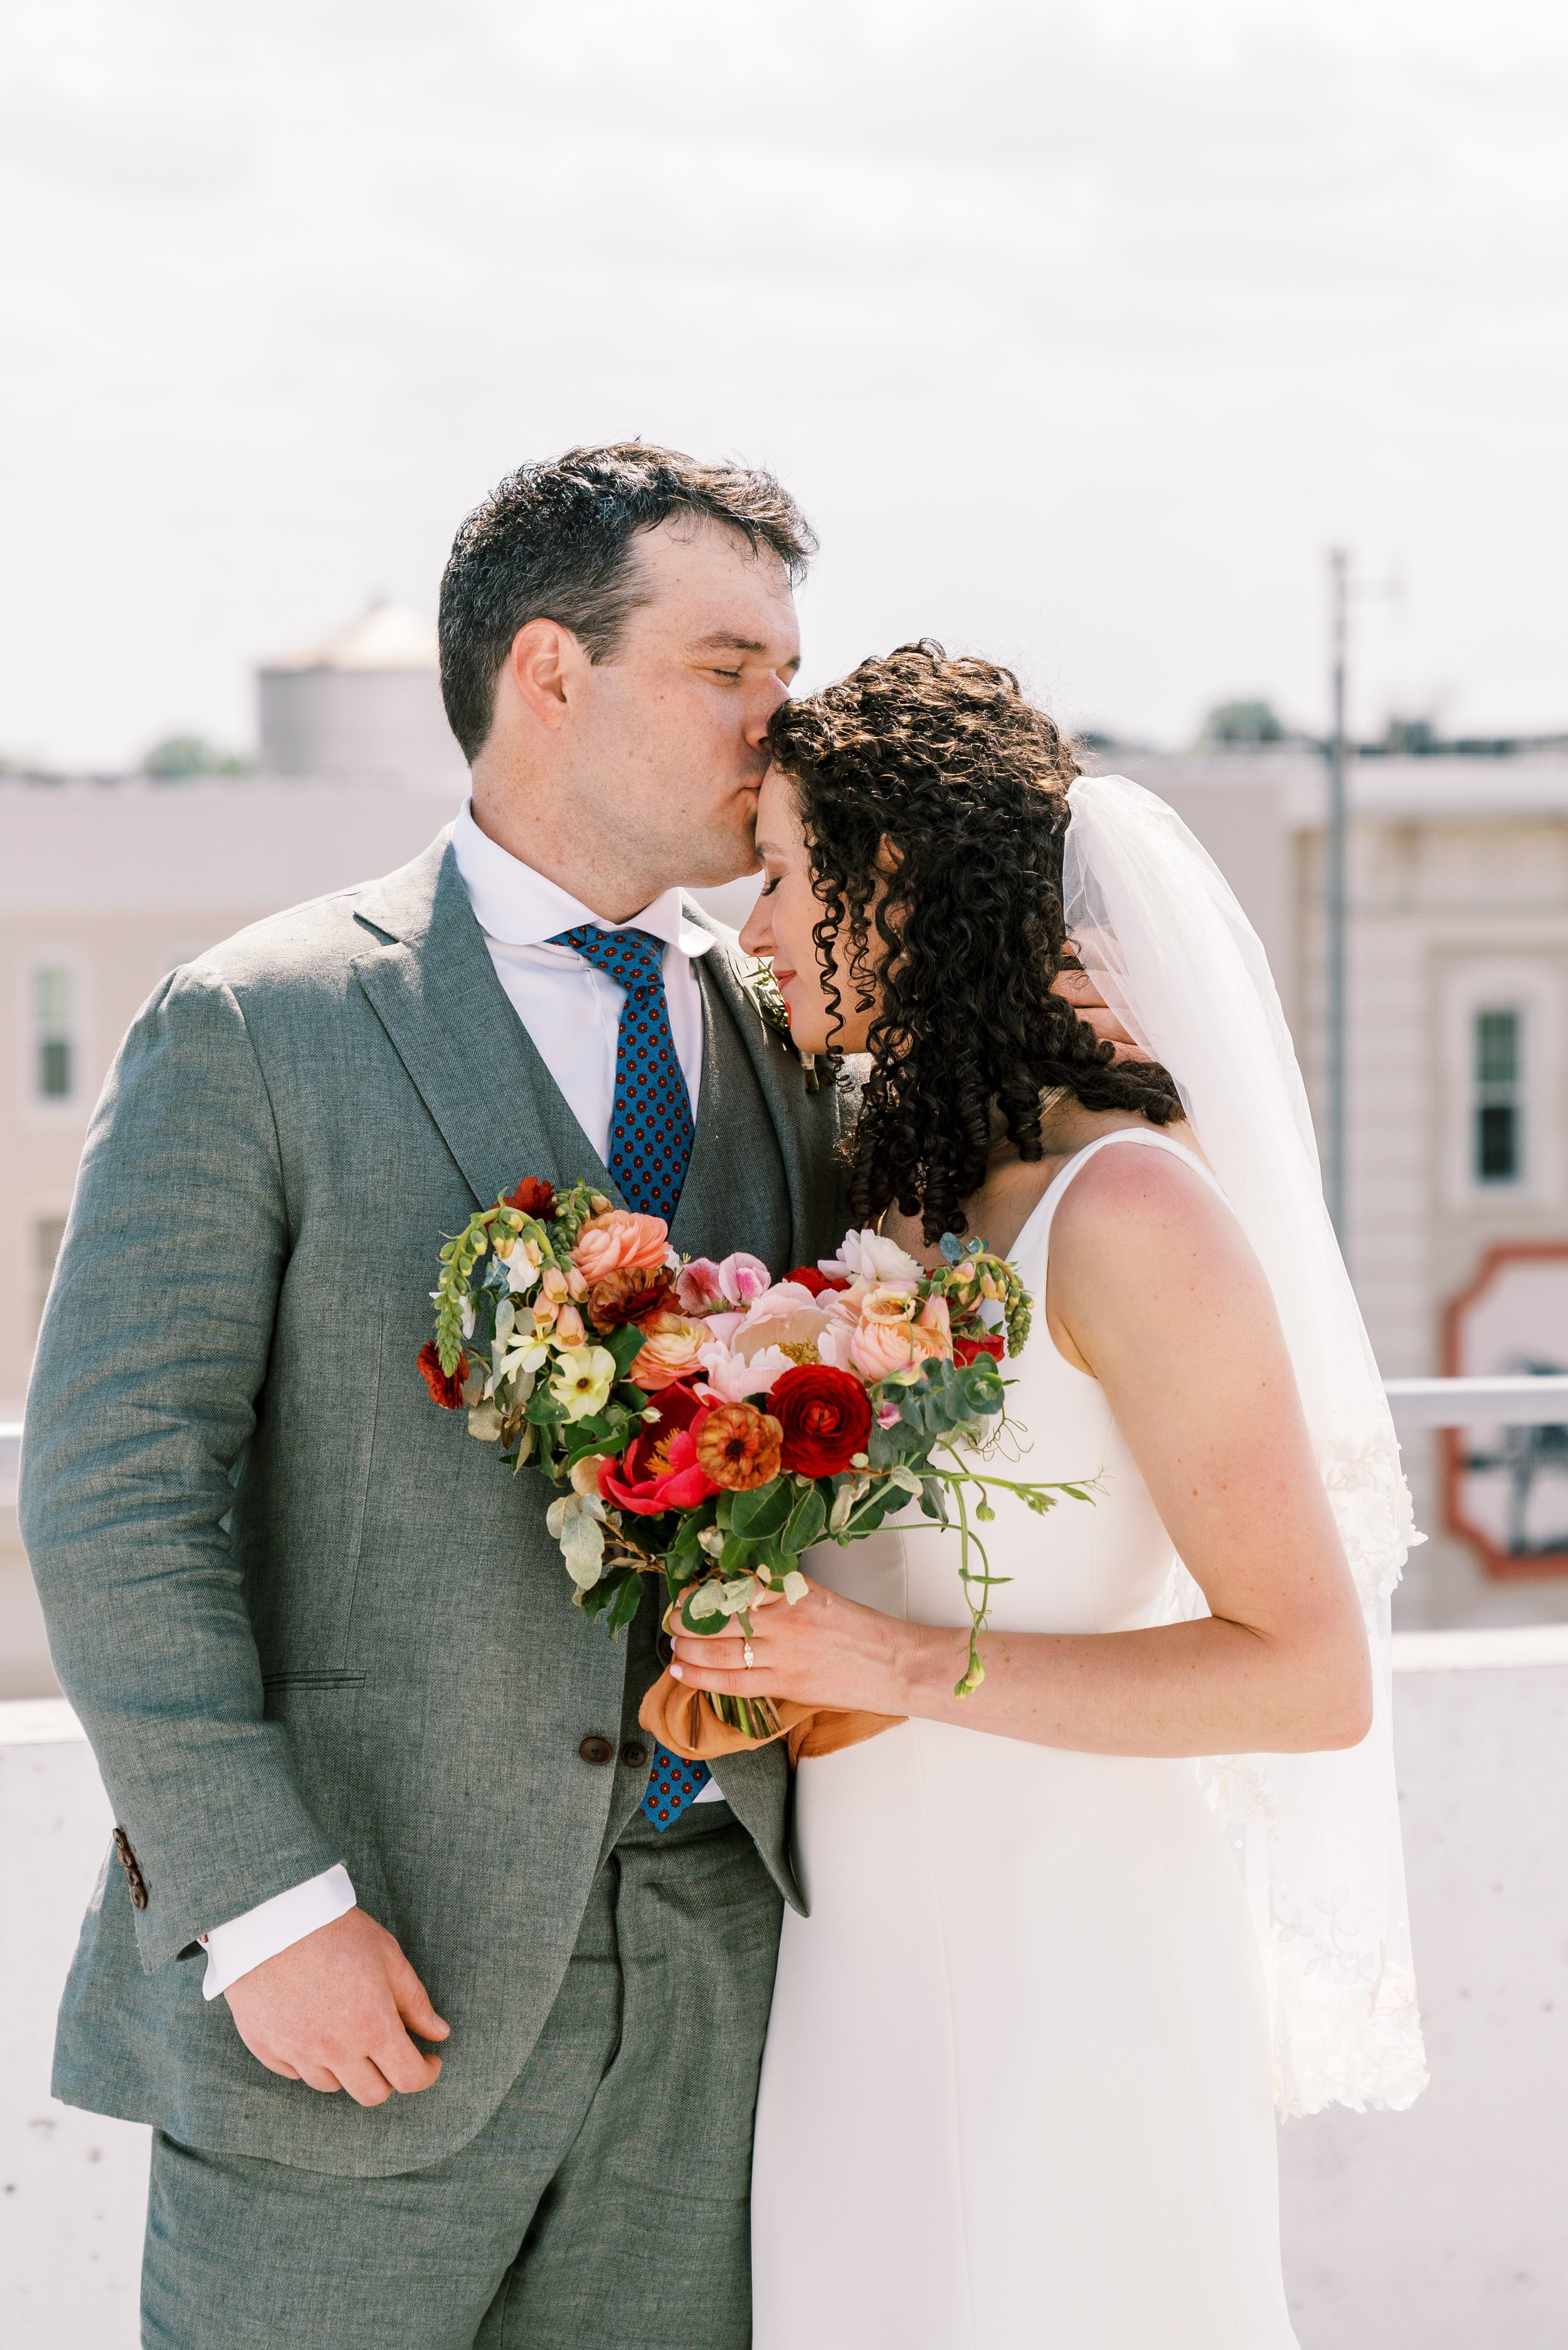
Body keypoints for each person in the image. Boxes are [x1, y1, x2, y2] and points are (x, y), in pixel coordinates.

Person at [21, 443, 854, 2349]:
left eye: (786, 669)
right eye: (730, 665)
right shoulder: (264, 1020)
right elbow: (108, 1490)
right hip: (350, 1984)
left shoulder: (787, 1043)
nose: (777, 717)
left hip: (712, 2001)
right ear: (550, 672)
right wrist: (263, 1906)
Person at [669, 643, 1429, 2347]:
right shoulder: (902, 1194)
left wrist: (879, 1666)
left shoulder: (1130, 1211)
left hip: (1070, 1962)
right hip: (856, 1963)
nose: (758, 928)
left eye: (784, 876)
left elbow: (1303, 1676)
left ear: (892, 884)